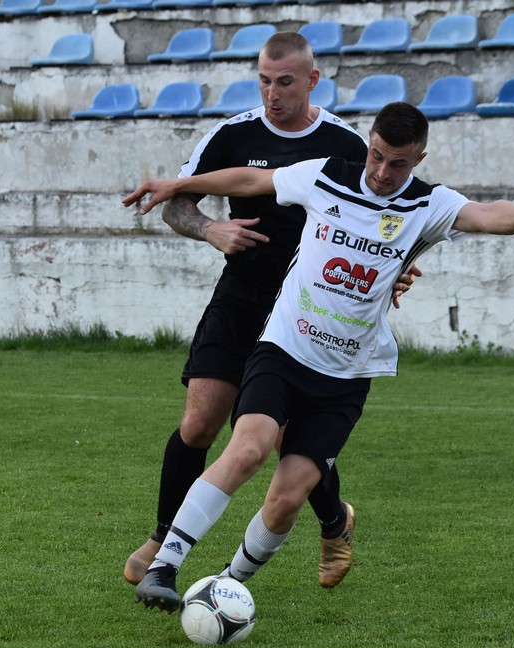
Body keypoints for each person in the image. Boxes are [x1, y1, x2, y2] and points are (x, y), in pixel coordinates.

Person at [122, 101, 514, 611]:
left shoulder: (427, 204)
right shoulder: (327, 176)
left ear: (418, 158)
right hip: (285, 348)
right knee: (247, 449)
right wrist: (177, 186)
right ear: (369, 141)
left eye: (396, 163)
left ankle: (227, 585)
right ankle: (163, 569)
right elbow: (251, 181)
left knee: (287, 498)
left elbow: (486, 215)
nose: (380, 171)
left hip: (346, 375)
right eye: (375, 155)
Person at [123, 32, 416, 591]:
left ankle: (333, 520)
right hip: (244, 294)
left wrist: (395, 267)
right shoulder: (232, 134)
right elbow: (178, 201)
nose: (272, 93)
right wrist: (211, 228)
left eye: (284, 82)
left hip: (311, 308)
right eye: (263, 80)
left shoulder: (346, 144)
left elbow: (387, 220)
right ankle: (165, 537)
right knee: (200, 419)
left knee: (283, 438)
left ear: (312, 80)